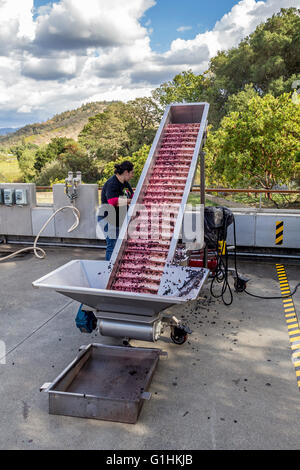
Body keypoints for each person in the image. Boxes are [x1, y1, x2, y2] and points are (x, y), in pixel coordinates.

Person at [99, 161, 134, 261]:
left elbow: (133, 196)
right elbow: (112, 202)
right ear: (126, 172)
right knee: (112, 246)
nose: (132, 175)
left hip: (120, 218)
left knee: (122, 246)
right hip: (109, 218)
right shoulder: (112, 183)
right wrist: (129, 201)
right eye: (132, 173)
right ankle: (108, 270)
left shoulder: (126, 184)